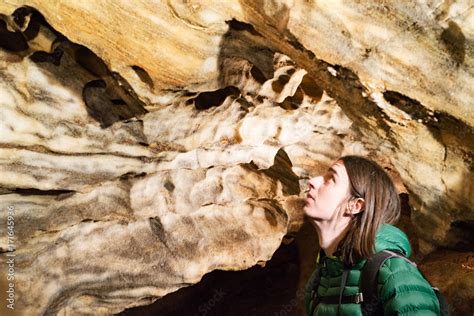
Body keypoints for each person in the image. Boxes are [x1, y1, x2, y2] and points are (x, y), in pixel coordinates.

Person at [303, 155, 440, 315]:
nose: (313, 181)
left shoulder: (393, 272)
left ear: (355, 205)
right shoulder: (321, 278)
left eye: (331, 178)